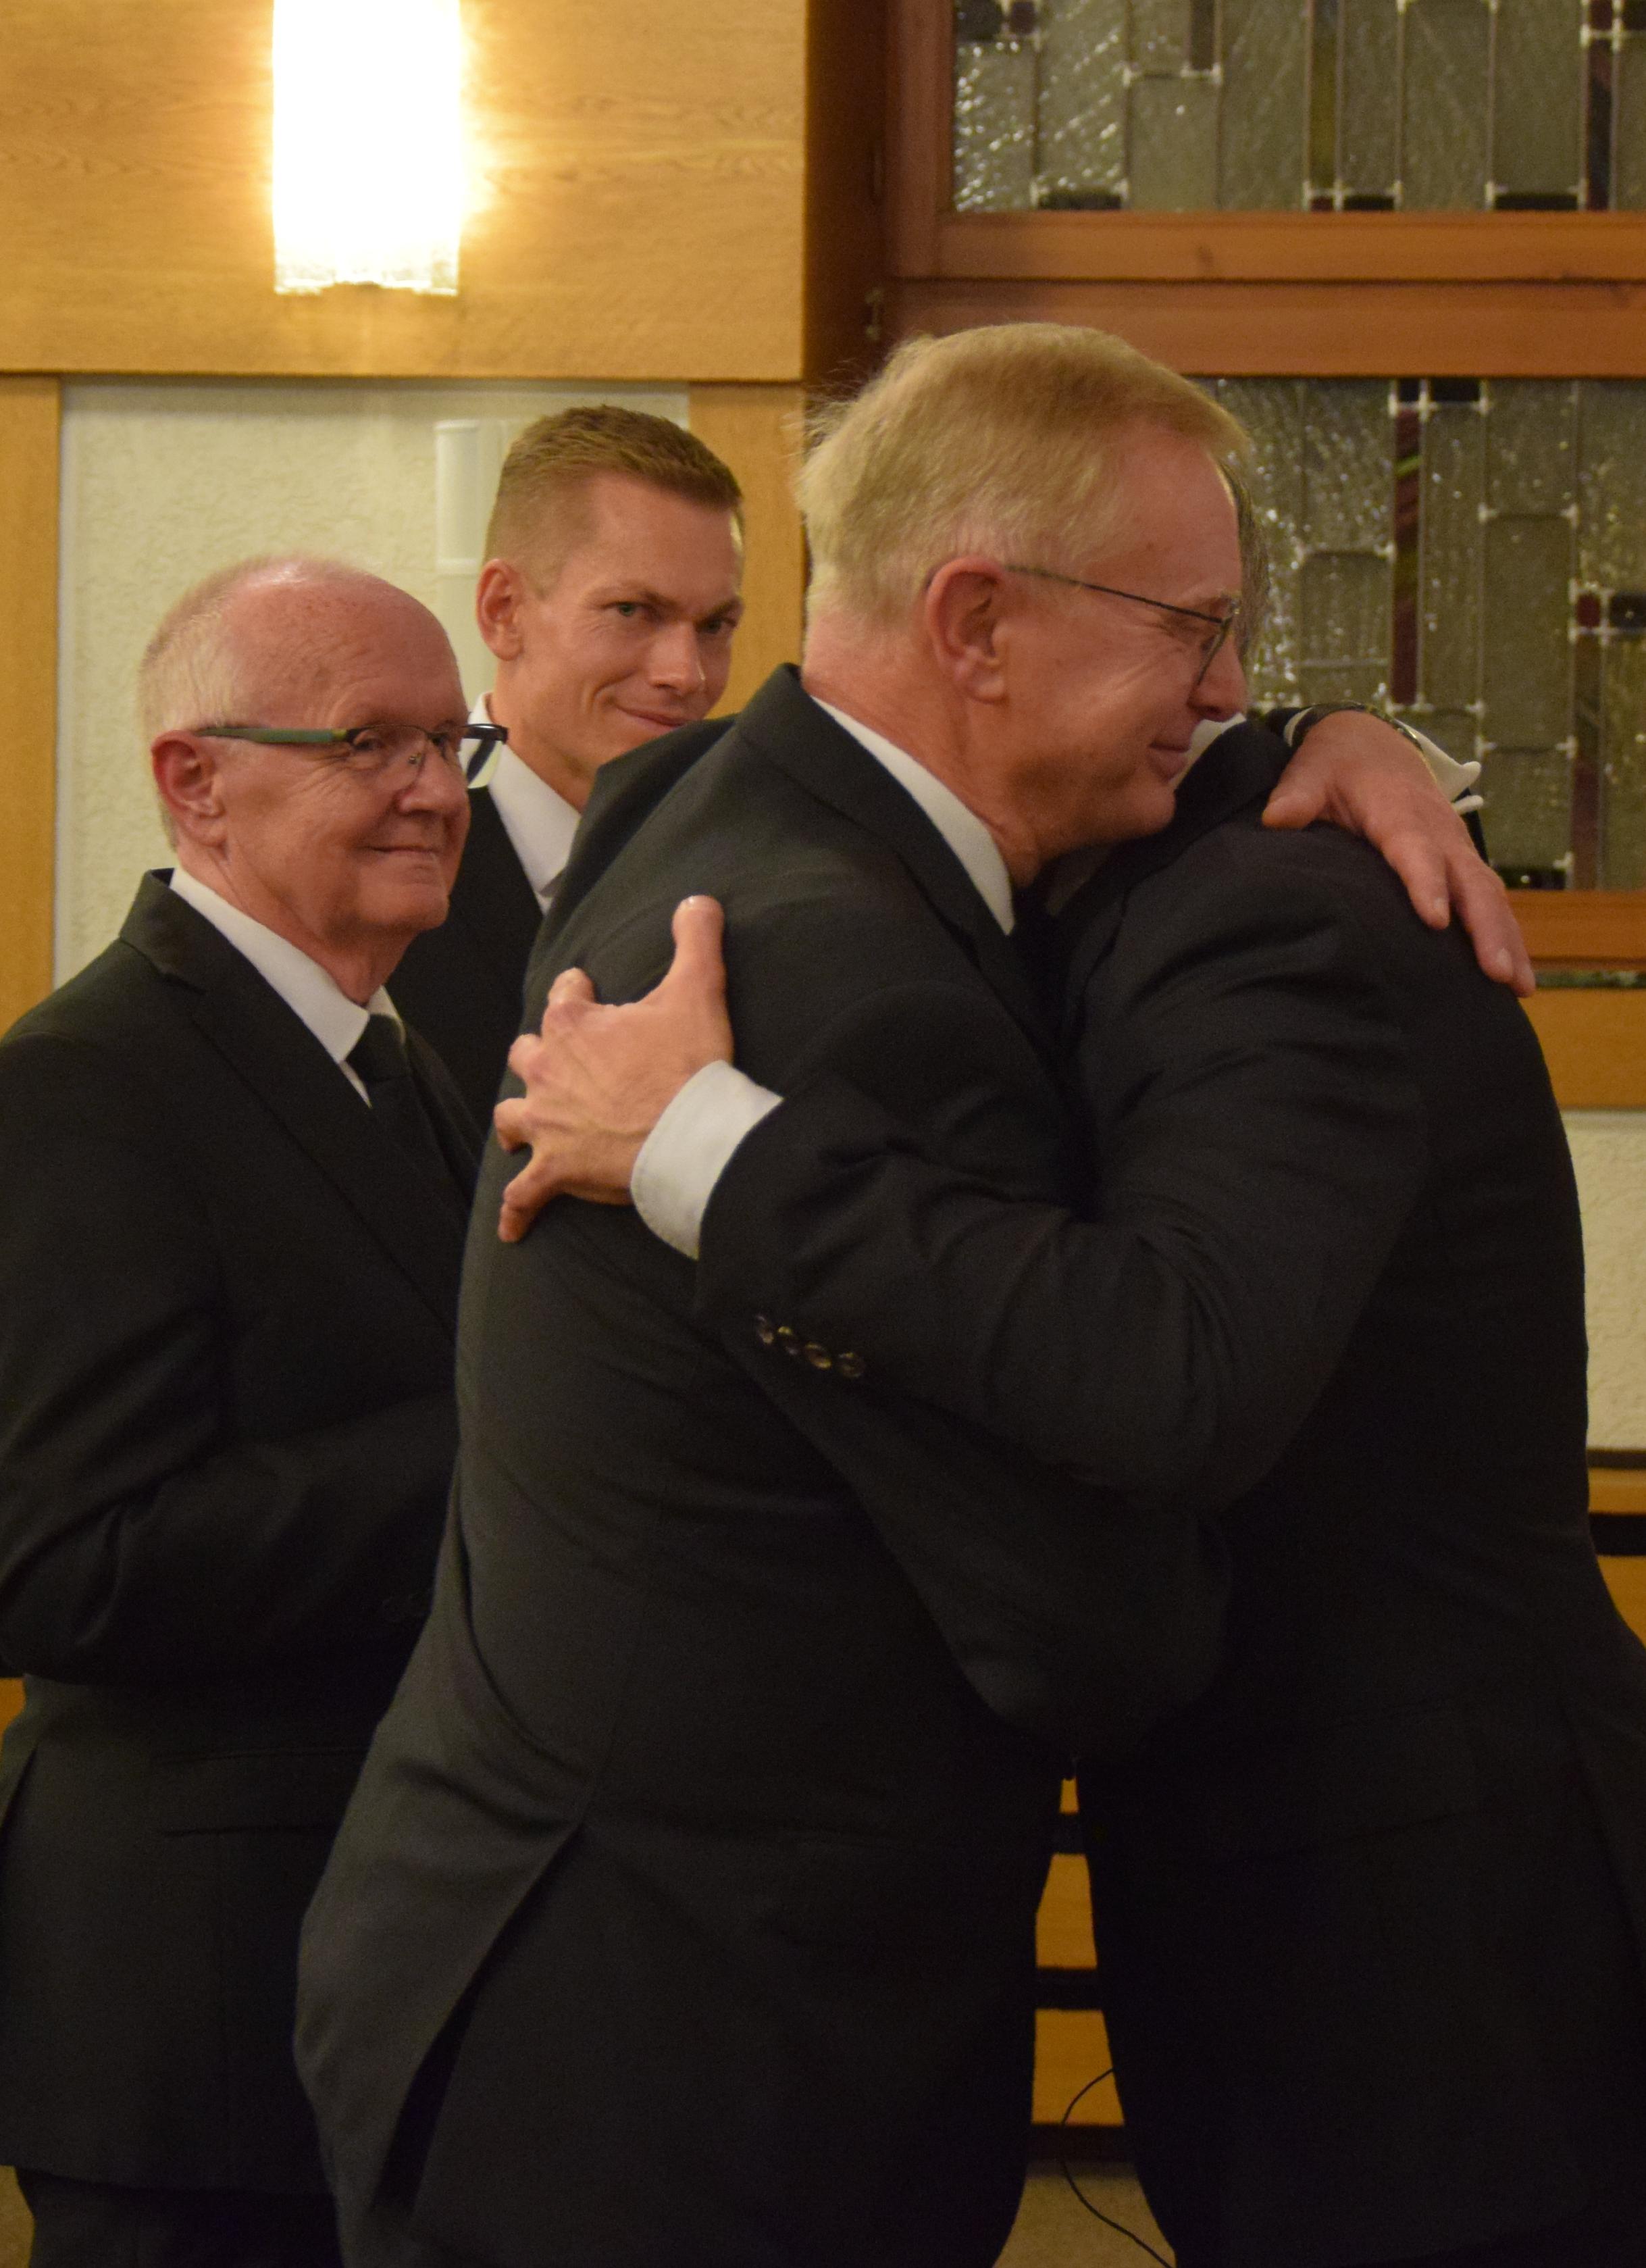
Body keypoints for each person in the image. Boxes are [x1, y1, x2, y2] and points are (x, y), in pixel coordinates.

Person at [297, 324, 1526, 2268]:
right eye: (1194, 630)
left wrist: (1331, 737)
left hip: (533, 1962)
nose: (1223, 688)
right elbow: (1088, 1612)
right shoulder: (848, 984)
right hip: (685, 2062)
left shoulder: (692, 799)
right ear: (972, 623)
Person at [0, 557, 487, 2268]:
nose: (434, 789)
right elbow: (64, 1563)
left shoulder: (400, 1060)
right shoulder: (83, 1082)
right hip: (193, 2011)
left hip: (378, 1970)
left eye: (451, 741)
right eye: (369, 742)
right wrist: (508, 1449)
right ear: (195, 781)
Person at [388, 405, 746, 1122]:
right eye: (632, 611)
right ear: (503, 611)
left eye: (714, 626)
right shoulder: (380, 861)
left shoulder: (752, 860)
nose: (686, 674)